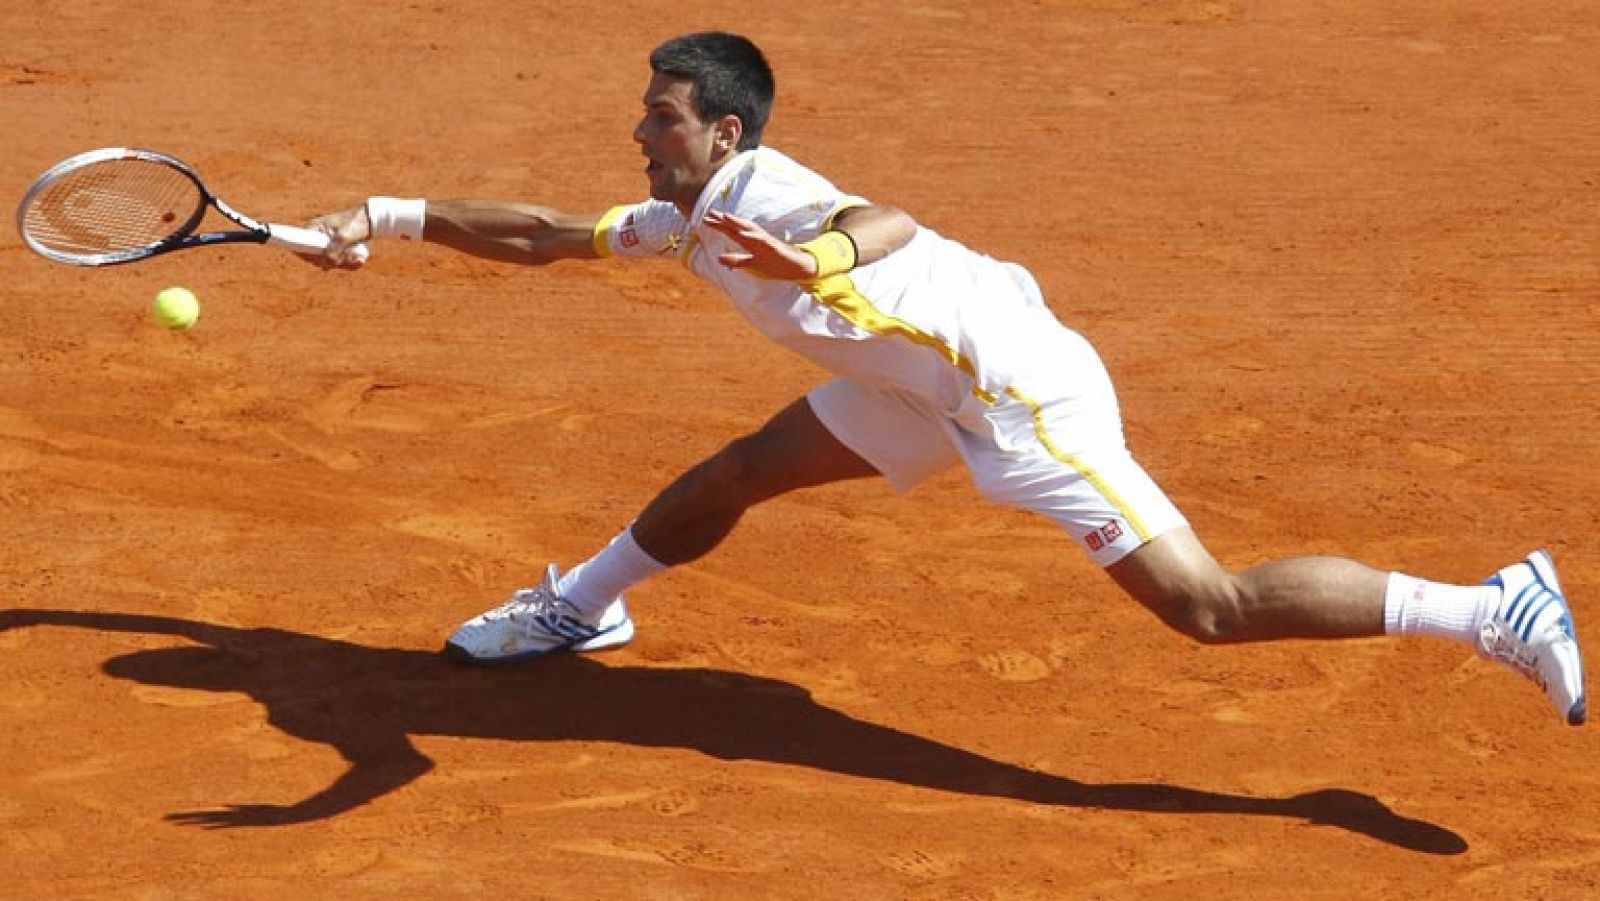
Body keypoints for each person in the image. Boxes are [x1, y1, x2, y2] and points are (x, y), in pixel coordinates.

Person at [308, 32, 1586, 726]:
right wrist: (382, 212)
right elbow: (542, 234)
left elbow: (891, 221)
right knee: (743, 471)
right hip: (912, 388)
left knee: (1206, 606)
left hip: (1012, 392)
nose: (639, 132)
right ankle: (583, 606)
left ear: (724, 132)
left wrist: (809, 252)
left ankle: (1488, 610)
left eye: (659, 117)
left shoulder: (771, 194)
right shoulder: (686, 217)